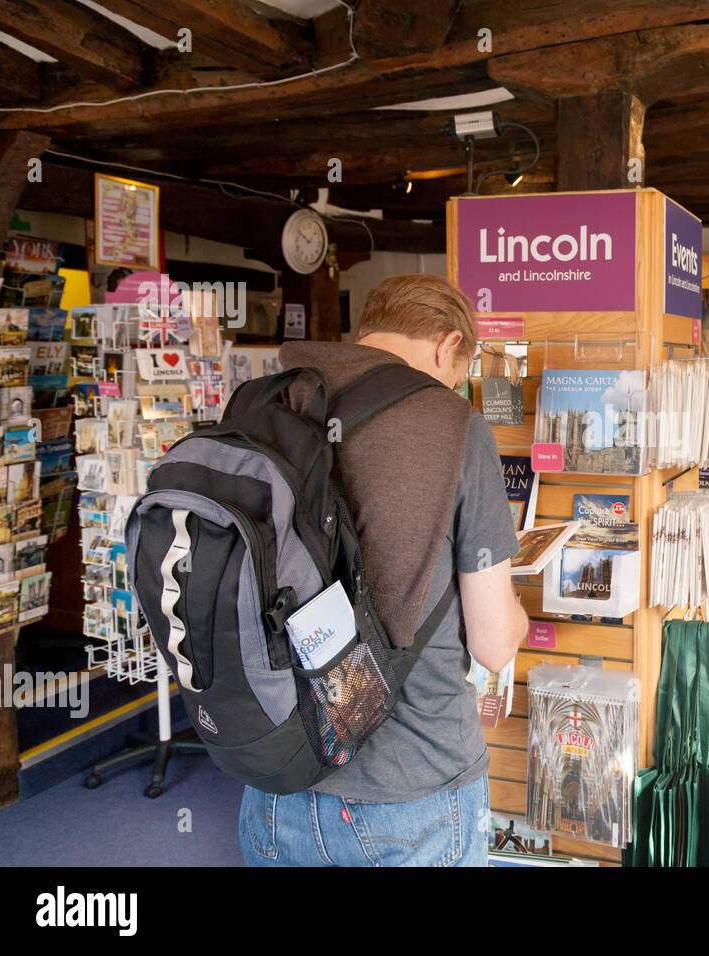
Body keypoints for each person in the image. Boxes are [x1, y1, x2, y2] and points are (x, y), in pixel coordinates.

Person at [239, 275, 527, 867]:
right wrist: (518, 614)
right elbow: (495, 645)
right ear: (449, 347)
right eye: (459, 371)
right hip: (412, 789)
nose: (453, 386)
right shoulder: (457, 426)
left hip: (276, 782)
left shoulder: (269, 404)